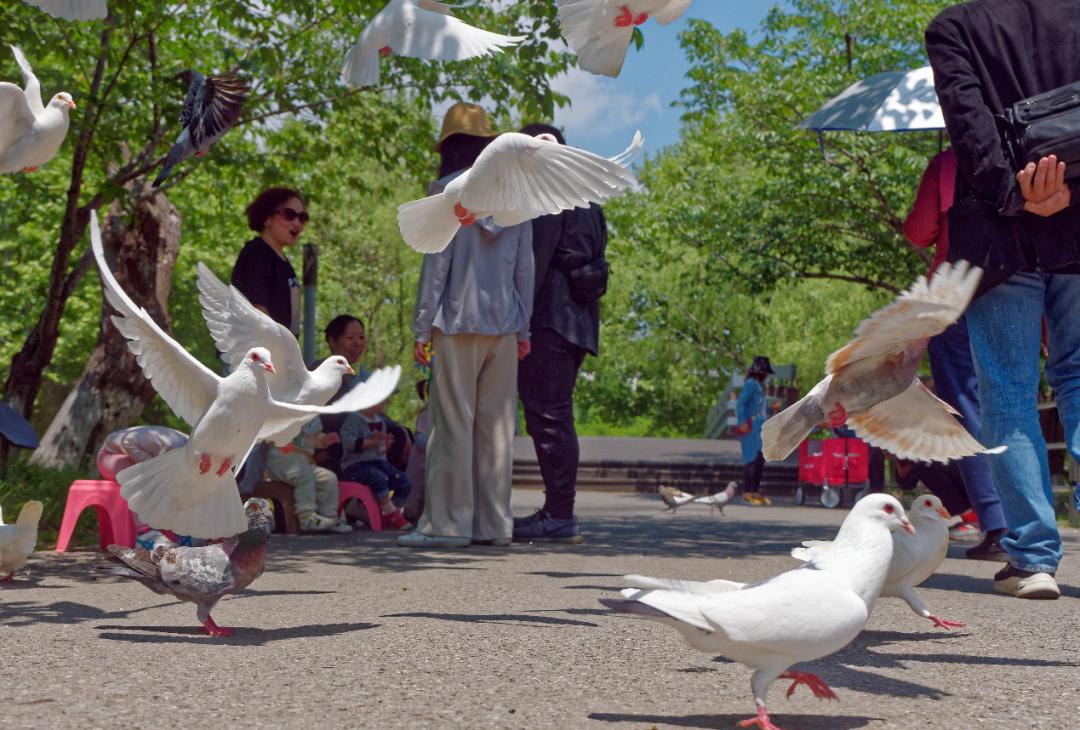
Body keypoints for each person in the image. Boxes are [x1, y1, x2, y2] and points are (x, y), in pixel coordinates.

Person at [926, 0, 1080, 599]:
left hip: (999, 235)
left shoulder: (955, 27)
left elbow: (968, 127)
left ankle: (1034, 556)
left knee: (1009, 391)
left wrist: (1016, 195)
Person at [400, 102, 534, 548]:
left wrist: (422, 329)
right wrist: (524, 328)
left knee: (452, 424)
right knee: (497, 428)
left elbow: (435, 267)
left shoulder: (446, 192)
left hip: (455, 322)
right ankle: (495, 525)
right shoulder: (515, 195)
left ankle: (448, 525)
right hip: (505, 323)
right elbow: (525, 269)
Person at [903, 147, 1008, 560]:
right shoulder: (1019, 148)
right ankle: (1030, 523)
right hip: (1013, 285)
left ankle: (998, 523)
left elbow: (917, 232)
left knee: (964, 405)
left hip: (953, 291)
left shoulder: (948, 161)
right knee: (1012, 400)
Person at [511, 123, 607, 545]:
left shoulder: (548, 195)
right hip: (578, 321)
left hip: (550, 318)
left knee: (548, 418)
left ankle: (558, 513)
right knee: (555, 415)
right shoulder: (586, 194)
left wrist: (519, 321)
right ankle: (558, 510)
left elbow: (535, 261)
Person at [230, 187, 307, 494]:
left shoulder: (284, 263)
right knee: (240, 445)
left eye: (303, 217)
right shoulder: (255, 254)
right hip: (251, 368)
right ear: (267, 218)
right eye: (289, 214)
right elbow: (259, 316)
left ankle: (235, 523)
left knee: (258, 447)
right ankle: (210, 522)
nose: (297, 223)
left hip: (275, 369)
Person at [316, 314, 413, 474]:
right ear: (332, 341)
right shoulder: (325, 371)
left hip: (352, 434)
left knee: (400, 432)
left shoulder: (353, 375)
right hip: (332, 441)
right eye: (350, 337)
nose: (358, 343)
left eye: (361, 337)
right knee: (396, 434)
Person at [96, 426, 198, 550]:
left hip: (129, 455)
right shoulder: (167, 442)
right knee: (140, 474)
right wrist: (151, 466)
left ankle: (179, 531)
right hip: (109, 455)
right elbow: (127, 441)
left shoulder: (187, 448)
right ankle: (144, 534)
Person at [263, 420, 352, 534]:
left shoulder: (313, 414)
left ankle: (329, 518)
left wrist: (324, 440)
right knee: (304, 476)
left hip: (304, 462)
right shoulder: (284, 409)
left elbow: (313, 437)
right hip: (281, 460)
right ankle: (307, 518)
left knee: (328, 478)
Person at [339, 403, 412, 530]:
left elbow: (379, 451)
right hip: (355, 465)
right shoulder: (353, 420)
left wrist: (385, 446)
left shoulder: (380, 421)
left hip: (378, 462)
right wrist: (371, 441)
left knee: (403, 481)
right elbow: (350, 444)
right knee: (379, 478)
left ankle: (391, 511)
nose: (386, 401)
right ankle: (392, 513)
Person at [735, 356, 772, 505]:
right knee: (751, 459)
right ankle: (747, 492)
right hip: (749, 426)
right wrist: (742, 422)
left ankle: (755, 491)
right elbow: (741, 403)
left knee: (759, 459)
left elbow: (760, 408)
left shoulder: (759, 387)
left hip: (760, 426)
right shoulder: (751, 384)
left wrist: (771, 409)